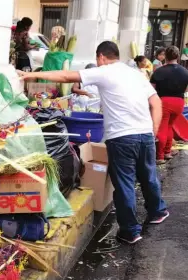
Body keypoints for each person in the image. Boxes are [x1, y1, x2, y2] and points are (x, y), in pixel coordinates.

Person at [18, 41, 168, 244]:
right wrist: (153, 131)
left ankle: (130, 231)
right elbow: (156, 103)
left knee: (124, 183)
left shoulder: (105, 71)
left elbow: (65, 76)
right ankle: (158, 211)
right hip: (145, 134)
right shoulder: (136, 74)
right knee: (148, 174)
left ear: (101, 57)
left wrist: (29, 75)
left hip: (122, 137)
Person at [150, 46, 188, 164]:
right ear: (177, 56)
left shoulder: (159, 71)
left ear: (165, 56)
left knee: (162, 127)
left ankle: (160, 156)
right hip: (179, 102)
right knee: (170, 126)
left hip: (164, 102)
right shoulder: (185, 71)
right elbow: (186, 89)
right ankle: (167, 152)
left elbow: (151, 90)